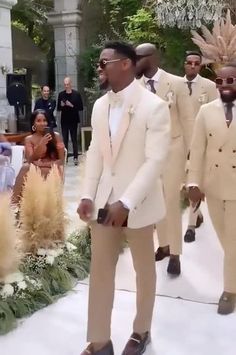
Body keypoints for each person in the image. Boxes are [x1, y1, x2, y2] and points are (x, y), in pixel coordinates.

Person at [77, 41, 170, 355]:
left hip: (139, 206)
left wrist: (126, 202)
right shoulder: (100, 106)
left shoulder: (153, 106)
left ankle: (141, 331)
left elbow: (155, 160)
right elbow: (95, 155)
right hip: (104, 204)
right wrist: (88, 194)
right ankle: (100, 341)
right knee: (100, 271)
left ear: (126, 64)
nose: (99, 68)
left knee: (144, 271)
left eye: (104, 62)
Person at [188, 63, 236, 315]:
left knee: (233, 241)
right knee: (225, 240)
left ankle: (229, 290)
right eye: (220, 81)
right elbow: (197, 150)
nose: (225, 86)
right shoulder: (206, 111)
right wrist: (193, 182)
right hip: (214, 185)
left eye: (230, 80)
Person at [135, 43, 185, 276]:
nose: (134, 62)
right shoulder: (136, 87)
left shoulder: (175, 83)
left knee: (172, 202)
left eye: (139, 57)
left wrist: (191, 156)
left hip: (174, 150)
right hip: (150, 154)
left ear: (151, 58)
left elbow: (189, 120)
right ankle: (163, 245)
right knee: (156, 201)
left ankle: (175, 253)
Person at [177, 51, 218, 243]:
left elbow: (215, 113)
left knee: (195, 182)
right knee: (184, 184)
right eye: (189, 63)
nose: (192, 66)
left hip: (202, 143)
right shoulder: (175, 85)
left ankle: (191, 226)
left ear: (200, 66)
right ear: (184, 65)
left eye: (196, 63)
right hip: (180, 142)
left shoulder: (209, 87)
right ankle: (198, 214)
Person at [12, 110, 65, 204]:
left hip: (53, 169)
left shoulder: (56, 137)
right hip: (36, 169)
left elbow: (61, 161)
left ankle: (14, 204)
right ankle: (15, 205)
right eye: (39, 121)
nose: (42, 123)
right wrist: (41, 145)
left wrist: (44, 164)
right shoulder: (29, 139)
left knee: (27, 168)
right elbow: (30, 160)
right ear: (33, 123)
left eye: (45, 120)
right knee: (25, 167)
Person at [57, 77, 83, 165]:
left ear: (70, 84)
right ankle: (65, 157)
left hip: (73, 120)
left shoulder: (76, 94)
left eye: (67, 84)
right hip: (64, 120)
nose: (66, 86)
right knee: (65, 139)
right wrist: (61, 105)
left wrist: (71, 105)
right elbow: (58, 108)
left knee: (74, 139)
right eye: (65, 84)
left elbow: (80, 107)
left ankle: (75, 157)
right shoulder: (61, 94)